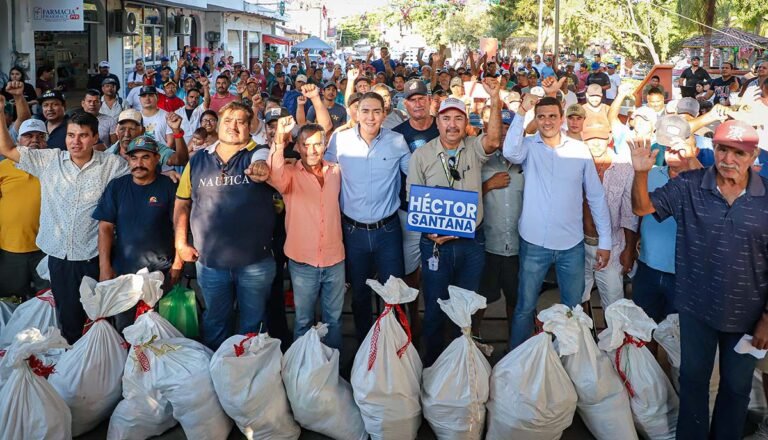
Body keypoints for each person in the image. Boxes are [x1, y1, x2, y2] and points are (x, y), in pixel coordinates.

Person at [630, 120, 768, 439]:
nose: (728, 159)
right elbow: (642, 207)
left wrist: (766, 319)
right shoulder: (690, 185)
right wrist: (640, 173)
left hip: (747, 316)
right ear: (713, 150)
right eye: (722, 149)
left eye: (738, 152)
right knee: (693, 383)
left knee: (736, 389)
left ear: (753, 155)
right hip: (696, 308)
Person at [0, 111, 129, 343]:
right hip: (59, 256)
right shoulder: (49, 160)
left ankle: (95, 362)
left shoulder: (112, 165)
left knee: (98, 318)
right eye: (71, 135)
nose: (75, 142)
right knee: (68, 319)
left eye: (83, 136)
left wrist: (166, 174)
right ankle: (72, 365)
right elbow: (7, 149)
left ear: (95, 137)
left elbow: (139, 176)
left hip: (92, 256)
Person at [407, 78, 503, 366]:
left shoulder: (474, 148)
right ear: (438, 122)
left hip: (471, 244)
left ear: (466, 124)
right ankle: (433, 365)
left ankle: (463, 365)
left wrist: (495, 101)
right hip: (435, 244)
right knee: (435, 308)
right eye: (446, 118)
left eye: (458, 119)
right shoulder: (421, 155)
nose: (452, 125)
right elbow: (414, 198)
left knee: (466, 307)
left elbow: (495, 140)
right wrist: (431, 231)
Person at [503, 95, 611, 349]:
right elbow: (510, 151)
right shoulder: (528, 147)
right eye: (541, 116)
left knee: (572, 310)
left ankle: (570, 363)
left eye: (552, 116)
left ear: (561, 118)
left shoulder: (579, 150)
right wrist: (521, 112)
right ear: (536, 120)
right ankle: (515, 364)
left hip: (571, 246)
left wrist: (605, 240)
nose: (547, 121)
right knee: (524, 307)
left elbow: (596, 197)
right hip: (534, 244)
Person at [174, 101, 275, 350]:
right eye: (228, 120)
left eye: (241, 121)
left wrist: (265, 162)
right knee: (215, 323)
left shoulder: (261, 155)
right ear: (218, 124)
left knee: (253, 326)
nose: (234, 126)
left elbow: (267, 157)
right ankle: (216, 376)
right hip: (210, 264)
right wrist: (180, 243)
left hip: (255, 263)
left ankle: (248, 378)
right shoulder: (197, 161)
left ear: (251, 126)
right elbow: (182, 203)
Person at [325, 92, 411, 342]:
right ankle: (365, 349)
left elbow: (416, 175)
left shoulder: (397, 141)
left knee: (393, 293)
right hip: (353, 232)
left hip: (388, 231)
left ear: (385, 114)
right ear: (355, 113)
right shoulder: (339, 141)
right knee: (360, 295)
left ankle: (394, 349)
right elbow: (323, 173)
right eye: (365, 111)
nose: (371, 117)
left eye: (376, 111)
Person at [267, 121, 345, 350]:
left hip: (334, 259)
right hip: (303, 262)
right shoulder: (289, 174)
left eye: (317, 145)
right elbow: (274, 171)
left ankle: (333, 372)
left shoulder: (336, 171)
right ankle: (301, 373)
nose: (312, 150)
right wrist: (280, 137)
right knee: (303, 322)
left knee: (334, 322)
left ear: (324, 146)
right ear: (298, 147)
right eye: (306, 145)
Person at [93, 135, 182, 330]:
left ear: (157, 159)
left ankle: (151, 362)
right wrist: (104, 267)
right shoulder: (117, 186)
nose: (139, 163)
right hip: (124, 273)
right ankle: (129, 361)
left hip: (160, 271)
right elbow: (105, 227)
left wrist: (178, 263)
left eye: (145, 157)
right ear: (128, 159)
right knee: (125, 327)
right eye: (134, 158)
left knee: (157, 329)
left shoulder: (168, 186)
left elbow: (179, 226)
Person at [632, 115, 694, 323]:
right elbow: (638, 210)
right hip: (648, 267)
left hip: (685, 275)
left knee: (676, 338)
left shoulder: (704, 178)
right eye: (668, 147)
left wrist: (691, 160)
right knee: (643, 332)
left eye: (678, 147)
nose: (672, 153)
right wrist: (640, 173)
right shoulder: (652, 173)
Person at [581, 120, 638, 312]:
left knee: (615, 308)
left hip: (612, 247)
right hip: (578, 245)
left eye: (601, 138)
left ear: (610, 139)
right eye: (590, 139)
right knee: (574, 302)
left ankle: (616, 342)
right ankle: (584, 340)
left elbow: (630, 214)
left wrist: (629, 250)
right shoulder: (577, 164)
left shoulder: (624, 168)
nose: (595, 143)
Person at [476, 106, 523, 339]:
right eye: (500, 126)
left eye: (509, 127)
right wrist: (488, 185)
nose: (504, 132)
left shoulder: (526, 160)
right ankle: (472, 343)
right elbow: (463, 196)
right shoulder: (480, 159)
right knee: (479, 300)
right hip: (487, 244)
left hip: (518, 245)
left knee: (517, 300)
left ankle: (515, 345)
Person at [0, 92, 49, 298]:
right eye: (28, 136)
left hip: (45, 248)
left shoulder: (54, 166)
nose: (34, 140)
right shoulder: (3, 167)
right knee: (11, 300)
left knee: (46, 300)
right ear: (18, 141)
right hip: (10, 248)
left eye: (40, 136)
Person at [106, 109, 189, 168]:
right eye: (122, 129)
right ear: (116, 131)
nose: (127, 134)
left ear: (142, 131)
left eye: (132, 129)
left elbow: (181, 160)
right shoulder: (107, 155)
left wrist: (176, 131)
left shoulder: (152, 147)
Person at [175, 78, 210, 144]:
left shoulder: (200, 110)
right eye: (191, 97)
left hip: (198, 146)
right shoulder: (177, 112)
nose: (194, 99)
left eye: (196, 98)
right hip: (182, 146)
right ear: (186, 98)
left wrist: (205, 86)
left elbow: (207, 101)